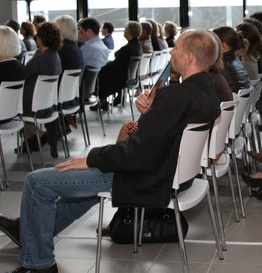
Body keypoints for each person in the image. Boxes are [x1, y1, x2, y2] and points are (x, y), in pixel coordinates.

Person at [0, 28, 221, 273]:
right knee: (85, 190)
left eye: (176, 48)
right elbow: (158, 135)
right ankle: (32, 234)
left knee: (37, 182)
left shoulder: (177, 97)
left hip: (143, 176)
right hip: (166, 173)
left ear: (189, 57)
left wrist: (93, 159)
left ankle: (37, 264)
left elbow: (138, 153)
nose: (171, 51)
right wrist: (152, 115)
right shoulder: (206, 93)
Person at [23, 21, 63, 159]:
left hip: (32, 106)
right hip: (47, 105)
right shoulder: (56, 57)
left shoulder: (40, 59)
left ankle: (37, 135)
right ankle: (37, 136)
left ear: (42, 38)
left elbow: (23, 74)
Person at [96, 21, 142, 104]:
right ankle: (104, 100)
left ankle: (102, 100)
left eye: (125, 29)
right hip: (129, 76)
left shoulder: (127, 48)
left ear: (129, 32)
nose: (124, 31)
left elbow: (116, 65)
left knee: (101, 72)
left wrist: (105, 64)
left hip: (121, 78)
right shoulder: (138, 46)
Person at [212, 26, 251, 93]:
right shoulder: (237, 61)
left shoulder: (221, 65)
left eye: (213, 44)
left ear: (223, 46)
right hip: (238, 102)